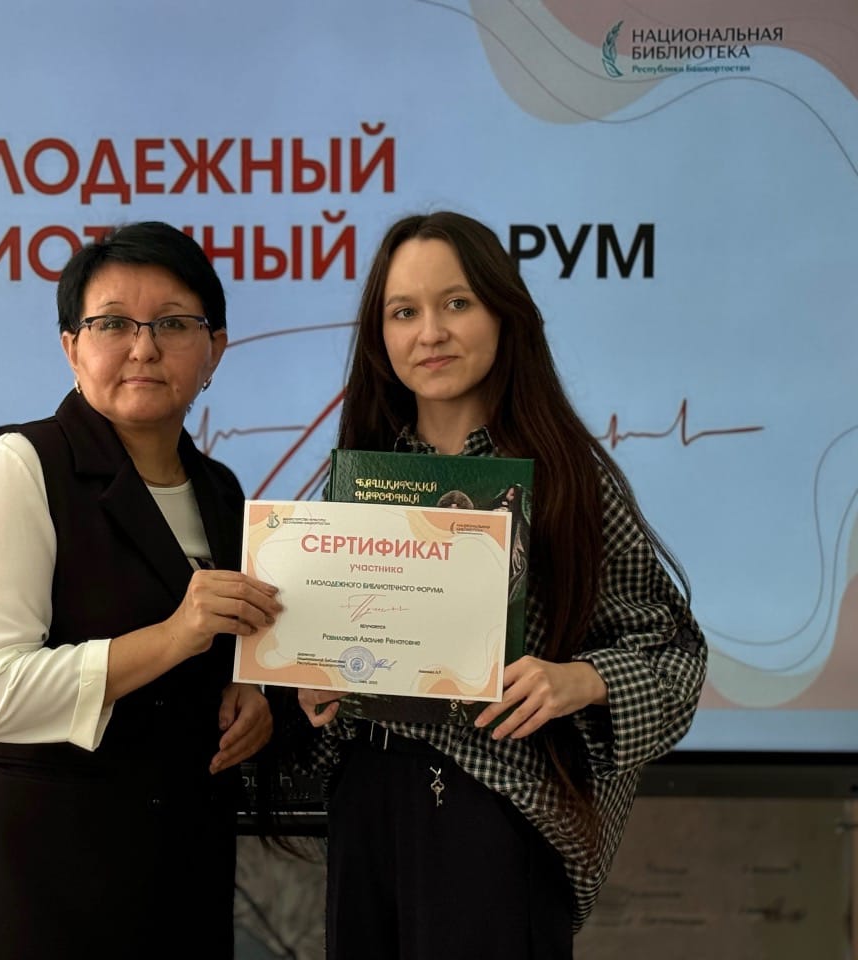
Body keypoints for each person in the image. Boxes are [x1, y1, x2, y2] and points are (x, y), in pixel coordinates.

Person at [297, 211, 707, 959]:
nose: (431, 333)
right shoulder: (361, 480)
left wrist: (579, 680)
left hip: (494, 810)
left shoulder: (567, 478)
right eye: (403, 312)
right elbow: (331, 654)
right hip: (365, 803)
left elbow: (676, 656)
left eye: (457, 303)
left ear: (503, 314)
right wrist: (313, 684)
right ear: (379, 337)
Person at [0, 221, 282, 959]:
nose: (144, 347)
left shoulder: (222, 492)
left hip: (179, 876)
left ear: (215, 350)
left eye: (174, 324)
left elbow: (216, 653)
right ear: (72, 348)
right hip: (45, 892)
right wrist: (174, 635)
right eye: (113, 324)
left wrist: (251, 694)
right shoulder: (18, 468)